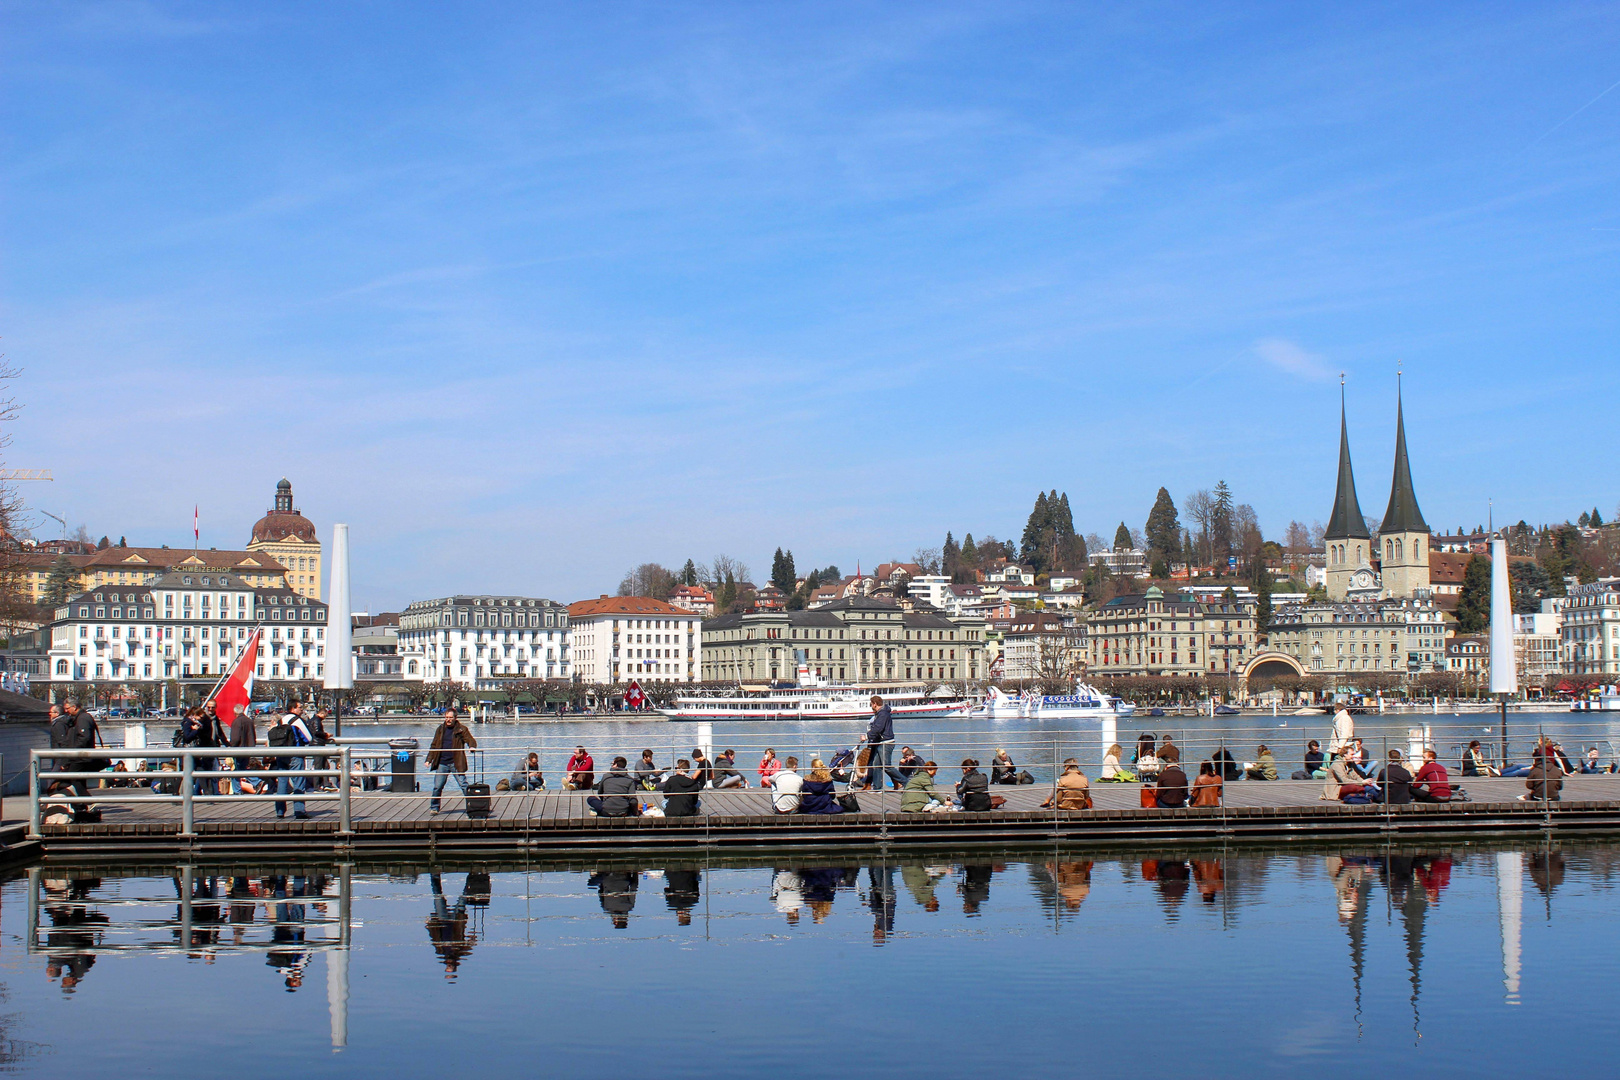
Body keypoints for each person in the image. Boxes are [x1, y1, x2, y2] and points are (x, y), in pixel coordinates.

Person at [48, 701, 102, 820]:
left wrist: (72, 753)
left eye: (68, 708)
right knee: (78, 781)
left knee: (72, 780)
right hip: (78, 756)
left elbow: (84, 738)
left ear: (75, 707)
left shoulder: (82, 719)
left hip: (79, 757)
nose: (66, 711)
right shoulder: (78, 718)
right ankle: (82, 806)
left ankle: (88, 803)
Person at [424, 709, 477, 815]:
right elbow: (434, 745)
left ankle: (473, 806)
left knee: (463, 784)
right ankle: (434, 807)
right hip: (442, 762)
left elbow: (470, 739)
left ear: (455, 718)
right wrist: (429, 759)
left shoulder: (461, 729)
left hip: (456, 762)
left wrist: (471, 746)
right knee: (437, 786)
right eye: (447, 717)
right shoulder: (440, 729)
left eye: (450, 718)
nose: (448, 720)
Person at [268, 701, 314, 819]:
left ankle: (280, 811)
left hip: (281, 754)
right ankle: (299, 811)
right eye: (300, 707)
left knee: (282, 782)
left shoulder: (281, 720)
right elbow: (308, 737)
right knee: (298, 781)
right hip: (295, 754)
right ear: (293, 708)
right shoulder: (297, 720)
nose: (302, 710)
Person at [865, 695, 902, 789]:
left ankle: (905, 782)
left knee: (887, 766)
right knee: (876, 765)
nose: (871, 706)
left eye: (871, 704)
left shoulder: (883, 714)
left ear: (875, 704)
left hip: (886, 742)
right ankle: (877, 788)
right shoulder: (880, 713)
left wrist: (867, 736)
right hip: (880, 742)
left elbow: (878, 728)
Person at [226, 703, 259, 795]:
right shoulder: (249, 721)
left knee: (237, 770)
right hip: (248, 749)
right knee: (242, 769)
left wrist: (231, 746)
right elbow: (253, 736)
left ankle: (238, 790)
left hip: (239, 749)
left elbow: (235, 738)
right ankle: (256, 781)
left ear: (235, 712)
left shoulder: (236, 722)